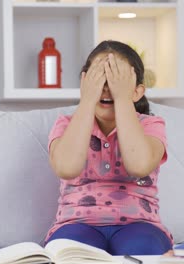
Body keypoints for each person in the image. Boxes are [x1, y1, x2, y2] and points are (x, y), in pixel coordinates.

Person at [45, 40, 173, 256]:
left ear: (137, 91)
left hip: (139, 224)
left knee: (143, 249)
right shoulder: (66, 125)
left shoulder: (150, 125)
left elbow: (139, 165)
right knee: (70, 252)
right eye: (99, 78)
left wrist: (122, 98)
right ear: (85, 83)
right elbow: (66, 167)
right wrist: (87, 100)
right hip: (76, 223)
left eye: (116, 79)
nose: (107, 87)